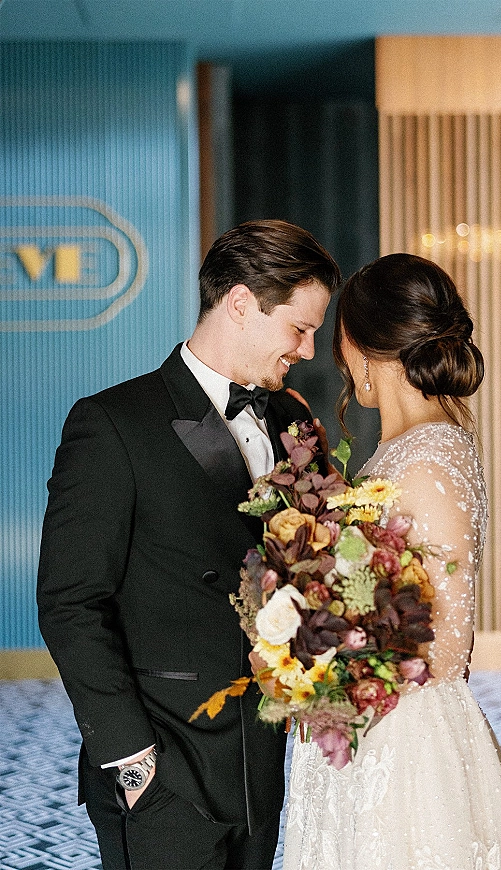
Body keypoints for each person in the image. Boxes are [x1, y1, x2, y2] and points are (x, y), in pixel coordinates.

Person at [37, 219, 341, 870]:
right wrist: (129, 757)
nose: (310, 350)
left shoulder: (292, 420)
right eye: (300, 327)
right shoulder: (113, 424)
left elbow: (324, 561)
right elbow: (70, 603)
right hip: (160, 769)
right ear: (239, 303)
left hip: (260, 764)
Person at [282, 253, 501, 870]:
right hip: (363, 721)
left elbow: (446, 644)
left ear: (363, 348)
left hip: (402, 744)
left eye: (338, 342)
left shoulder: (426, 458)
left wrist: (329, 655)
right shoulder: (405, 449)